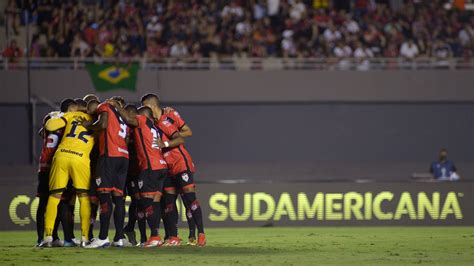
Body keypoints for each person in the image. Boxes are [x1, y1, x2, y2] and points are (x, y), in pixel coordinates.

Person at [141, 94, 206, 247]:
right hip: (166, 167)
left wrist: (167, 140)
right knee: (168, 202)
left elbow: (185, 134)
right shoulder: (152, 124)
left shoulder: (168, 118)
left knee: (189, 199)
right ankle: (173, 236)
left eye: (143, 106)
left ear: (150, 107)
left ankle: (200, 234)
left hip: (180, 163)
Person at [112, 102, 178, 247]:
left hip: (150, 168)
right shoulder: (153, 126)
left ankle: (154, 236)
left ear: (142, 115)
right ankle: (159, 236)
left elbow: (129, 120)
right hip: (161, 167)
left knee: (146, 203)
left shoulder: (141, 121)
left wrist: (116, 106)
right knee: (154, 203)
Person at [38, 101, 94, 247]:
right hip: (80, 158)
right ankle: (85, 238)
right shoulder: (95, 119)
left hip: (61, 155)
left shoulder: (70, 115)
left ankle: (48, 237)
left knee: (54, 197)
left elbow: (49, 126)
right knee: (83, 197)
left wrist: (59, 116)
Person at [80, 96, 130, 248]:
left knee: (104, 195)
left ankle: (102, 237)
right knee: (118, 198)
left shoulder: (104, 106)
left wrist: (88, 125)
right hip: (124, 157)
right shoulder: (122, 117)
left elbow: (102, 124)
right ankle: (119, 238)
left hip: (109, 156)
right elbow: (126, 139)